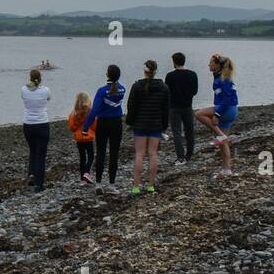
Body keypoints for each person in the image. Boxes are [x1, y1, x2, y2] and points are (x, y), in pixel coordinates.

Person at [125, 60, 169, 195]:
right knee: (153, 154)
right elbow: (166, 109)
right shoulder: (164, 87)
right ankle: (151, 185)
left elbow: (131, 106)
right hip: (156, 124)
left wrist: (130, 122)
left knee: (139, 154)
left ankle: (136, 186)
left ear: (144, 71)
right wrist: (164, 126)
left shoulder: (137, 86)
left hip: (140, 124)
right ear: (155, 71)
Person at [82, 65, 125, 192]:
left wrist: (86, 127)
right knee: (114, 154)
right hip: (116, 123)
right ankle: (112, 184)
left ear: (107, 75)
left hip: (103, 124)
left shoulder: (101, 91)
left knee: (100, 153)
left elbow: (94, 109)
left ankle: (99, 184)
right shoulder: (122, 89)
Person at [196, 54, 238, 178]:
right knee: (223, 144)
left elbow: (226, 99)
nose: (209, 65)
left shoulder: (223, 79)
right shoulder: (222, 77)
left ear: (218, 65)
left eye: (211, 63)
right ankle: (226, 170)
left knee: (199, 114)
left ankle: (220, 135)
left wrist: (217, 114)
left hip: (226, 109)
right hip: (231, 110)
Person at [164, 52, 199, 164]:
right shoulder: (192, 74)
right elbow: (194, 91)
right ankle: (189, 155)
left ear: (174, 62)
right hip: (188, 106)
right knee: (189, 131)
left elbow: (167, 92)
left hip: (174, 107)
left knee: (177, 132)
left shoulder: (170, 76)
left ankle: (180, 157)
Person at [68, 92, 97, 185]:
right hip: (88, 138)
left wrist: (77, 125)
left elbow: (72, 128)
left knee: (82, 158)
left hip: (79, 139)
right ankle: (86, 172)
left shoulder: (74, 113)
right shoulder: (90, 112)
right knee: (91, 156)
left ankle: (82, 179)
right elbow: (95, 126)